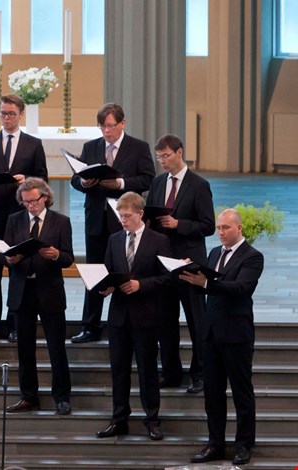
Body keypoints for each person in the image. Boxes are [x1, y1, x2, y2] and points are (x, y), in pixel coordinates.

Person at [183, 209, 264, 466]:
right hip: (211, 334)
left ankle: (244, 445)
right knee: (212, 393)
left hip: (236, 335)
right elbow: (208, 282)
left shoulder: (252, 257)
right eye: (218, 227)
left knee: (242, 392)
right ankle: (215, 443)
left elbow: (240, 288)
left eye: (225, 228)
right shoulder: (215, 253)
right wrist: (187, 272)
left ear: (239, 229)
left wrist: (204, 283)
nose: (220, 232)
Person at [69, 103, 155, 343]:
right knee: (95, 271)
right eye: (102, 126)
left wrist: (119, 184)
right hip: (96, 219)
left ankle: (128, 322)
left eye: (110, 126)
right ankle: (90, 325)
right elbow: (76, 180)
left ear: (122, 123)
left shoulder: (138, 147)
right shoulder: (91, 147)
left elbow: (148, 179)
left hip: (124, 221)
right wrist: (84, 183)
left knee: (126, 270)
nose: (106, 131)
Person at [95, 192, 172, 441]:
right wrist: (103, 286)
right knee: (119, 370)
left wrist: (141, 285)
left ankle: (152, 419)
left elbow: (167, 278)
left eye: (127, 216)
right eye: (120, 216)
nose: (123, 220)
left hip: (146, 315)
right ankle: (119, 419)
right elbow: (108, 272)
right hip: (119, 316)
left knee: (147, 370)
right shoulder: (114, 239)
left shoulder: (158, 240)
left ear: (140, 214)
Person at [0, 94, 48, 341]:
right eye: (3, 113)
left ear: (21, 115)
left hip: (20, 217)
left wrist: (25, 179)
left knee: (19, 270)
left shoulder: (33, 144)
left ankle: (17, 323)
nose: (6, 118)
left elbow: (42, 177)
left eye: (11, 114)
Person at [144, 134, 215, 393]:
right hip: (163, 262)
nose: (161, 161)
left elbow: (208, 226)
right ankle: (171, 372)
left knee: (197, 320)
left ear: (179, 153)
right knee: (165, 321)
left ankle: (201, 374)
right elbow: (152, 215)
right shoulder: (158, 182)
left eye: (165, 155)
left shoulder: (199, 185)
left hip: (189, 263)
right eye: (159, 156)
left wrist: (178, 224)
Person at [2, 178, 73, 416]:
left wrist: (55, 255)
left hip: (49, 290)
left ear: (45, 197)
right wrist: (9, 259)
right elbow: (7, 252)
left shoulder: (61, 221)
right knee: (24, 349)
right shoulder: (14, 220)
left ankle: (62, 397)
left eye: (34, 201)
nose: (30, 206)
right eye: (26, 202)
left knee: (56, 348)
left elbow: (68, 258)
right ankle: (29, 396)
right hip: (23, 291)